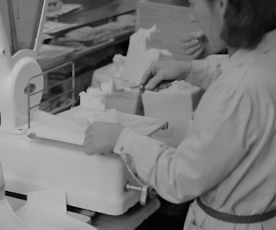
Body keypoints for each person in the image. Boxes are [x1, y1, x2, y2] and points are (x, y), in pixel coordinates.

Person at [83, 0, 276, 229]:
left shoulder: (236, 88)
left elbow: (181, 179)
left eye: (194, 4)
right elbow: (244, 70)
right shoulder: (266, 54)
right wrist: (189, 69)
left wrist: (122, 139)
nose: (193, 18)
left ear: (223, 5)